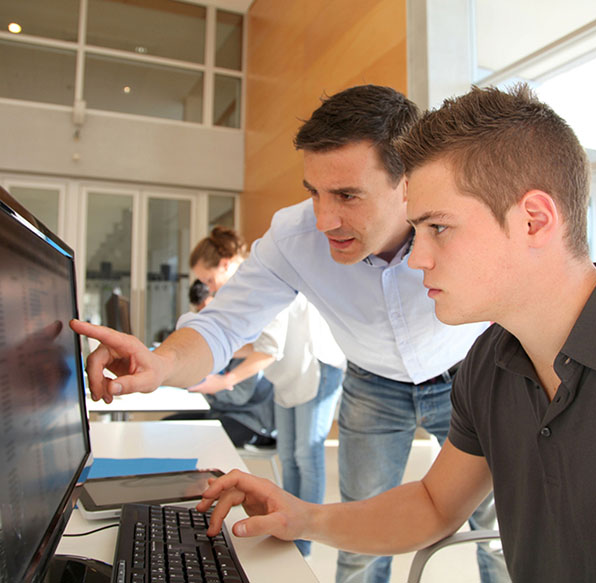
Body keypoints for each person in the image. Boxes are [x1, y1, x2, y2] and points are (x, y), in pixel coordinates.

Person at [194, 83, 596, 581]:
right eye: (417, 229)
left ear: (533, 221)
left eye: (438, 228)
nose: (418, 259)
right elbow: (432, 505)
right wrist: (305, 517)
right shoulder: (491, 365)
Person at [71, 85, 506, 583]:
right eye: (313, 193)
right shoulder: (294, 238)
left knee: (497, 531)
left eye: (346, 195)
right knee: (358, 539)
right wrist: (163, 364)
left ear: (406, 183)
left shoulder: (455, 222)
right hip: (372, 383)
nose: (324, 220)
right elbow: (222, 323)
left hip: (468, 378)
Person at [171, 227, 278, 449]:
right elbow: (242, 344)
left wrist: (221, 382)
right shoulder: (236, 295)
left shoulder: (258, 287)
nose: (208, 288)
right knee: (167, 432)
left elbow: (267, 349)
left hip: (252, 412)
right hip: (232, 405)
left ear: (225, 264)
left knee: (186, 441)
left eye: (209, 280)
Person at [265, 292, 345, 558]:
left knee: (306, 454)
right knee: (287, 455)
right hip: (287, 368)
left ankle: (304, 541)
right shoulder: (260, 277)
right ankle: (289, 527)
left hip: (317, 364)